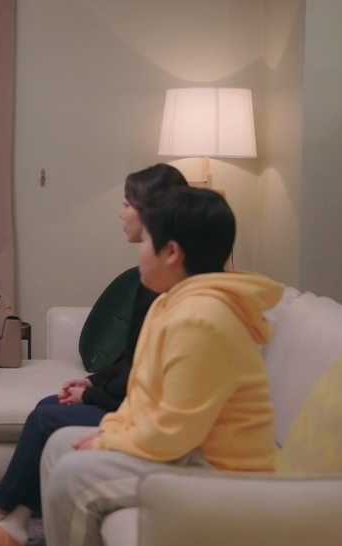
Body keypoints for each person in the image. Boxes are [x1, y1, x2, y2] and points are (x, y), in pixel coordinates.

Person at [0, 164, 189, 546]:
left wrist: (92, 395)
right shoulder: (151, 280)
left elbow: (144, 378)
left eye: (126, 205)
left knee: (45, 417)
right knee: (47, 406)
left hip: (144, 412)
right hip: (133, 400)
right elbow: (132, 359)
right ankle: (12, 525)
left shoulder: (169, 288)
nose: (120, 214)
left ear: (152, 213)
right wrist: (90, 383)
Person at [39, 187, 284, 546]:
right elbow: (141, 397)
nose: (138, 251)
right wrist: (112, 431)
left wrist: (111, 442)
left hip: (223, 472)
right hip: (186, 453)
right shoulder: (167, 305)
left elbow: (173, 432)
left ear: (171, 253)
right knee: (59, 445)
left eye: (145, 241)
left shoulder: (203, 319)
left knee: (72, 476)